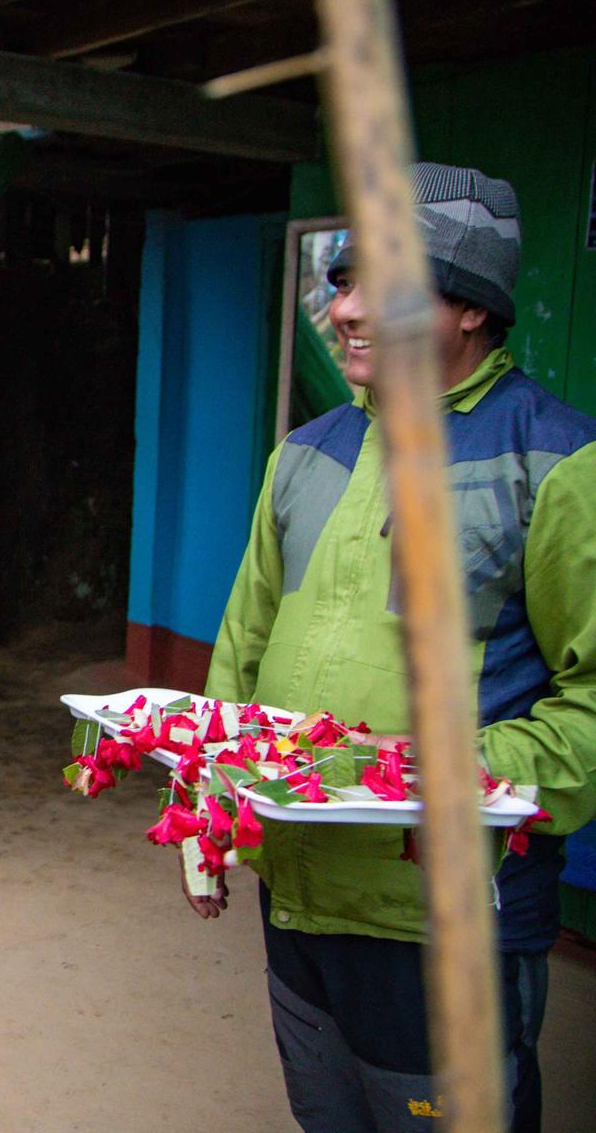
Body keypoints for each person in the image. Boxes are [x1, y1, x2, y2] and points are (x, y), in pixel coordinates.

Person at [197, 163, 596, 1132]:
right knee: (327, 1108)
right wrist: (209, 798)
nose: (349, 310)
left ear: (472, 308)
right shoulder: (308, 450)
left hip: (442, 907)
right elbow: (242, 646)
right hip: (295, 884)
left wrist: (440, 772)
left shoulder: (553, 462)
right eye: (341, 280)